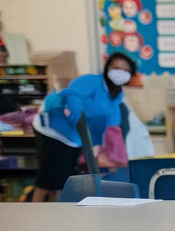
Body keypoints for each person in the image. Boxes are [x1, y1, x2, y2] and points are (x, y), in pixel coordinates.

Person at [31, 52, 135, 202]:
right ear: (107, 68)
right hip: (53, 129)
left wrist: (105, 156)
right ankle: (36, 214)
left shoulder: (116, 96)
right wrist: (75, 105)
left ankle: (59, 215)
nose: (120, 72)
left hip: (74, 136)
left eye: (125, 70)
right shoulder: (92, 81)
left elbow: (110, 130)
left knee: (66, 180)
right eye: (116, 67)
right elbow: (72, 92)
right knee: (48, 180)